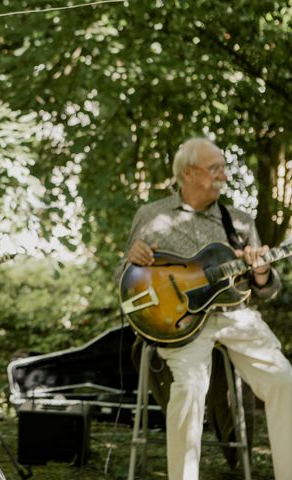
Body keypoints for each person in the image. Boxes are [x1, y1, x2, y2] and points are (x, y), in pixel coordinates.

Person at [121, 137, 292, 479]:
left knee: (284, 379)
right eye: (215, 168)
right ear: (188, 173)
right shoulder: (152, 216)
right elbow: (126, 281)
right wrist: (131, 259)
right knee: (189, 388)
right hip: (181, 325)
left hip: (235, 318)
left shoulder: (238, 222)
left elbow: (268, 291)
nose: (224, 176)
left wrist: (261, 273)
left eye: (224, 168)